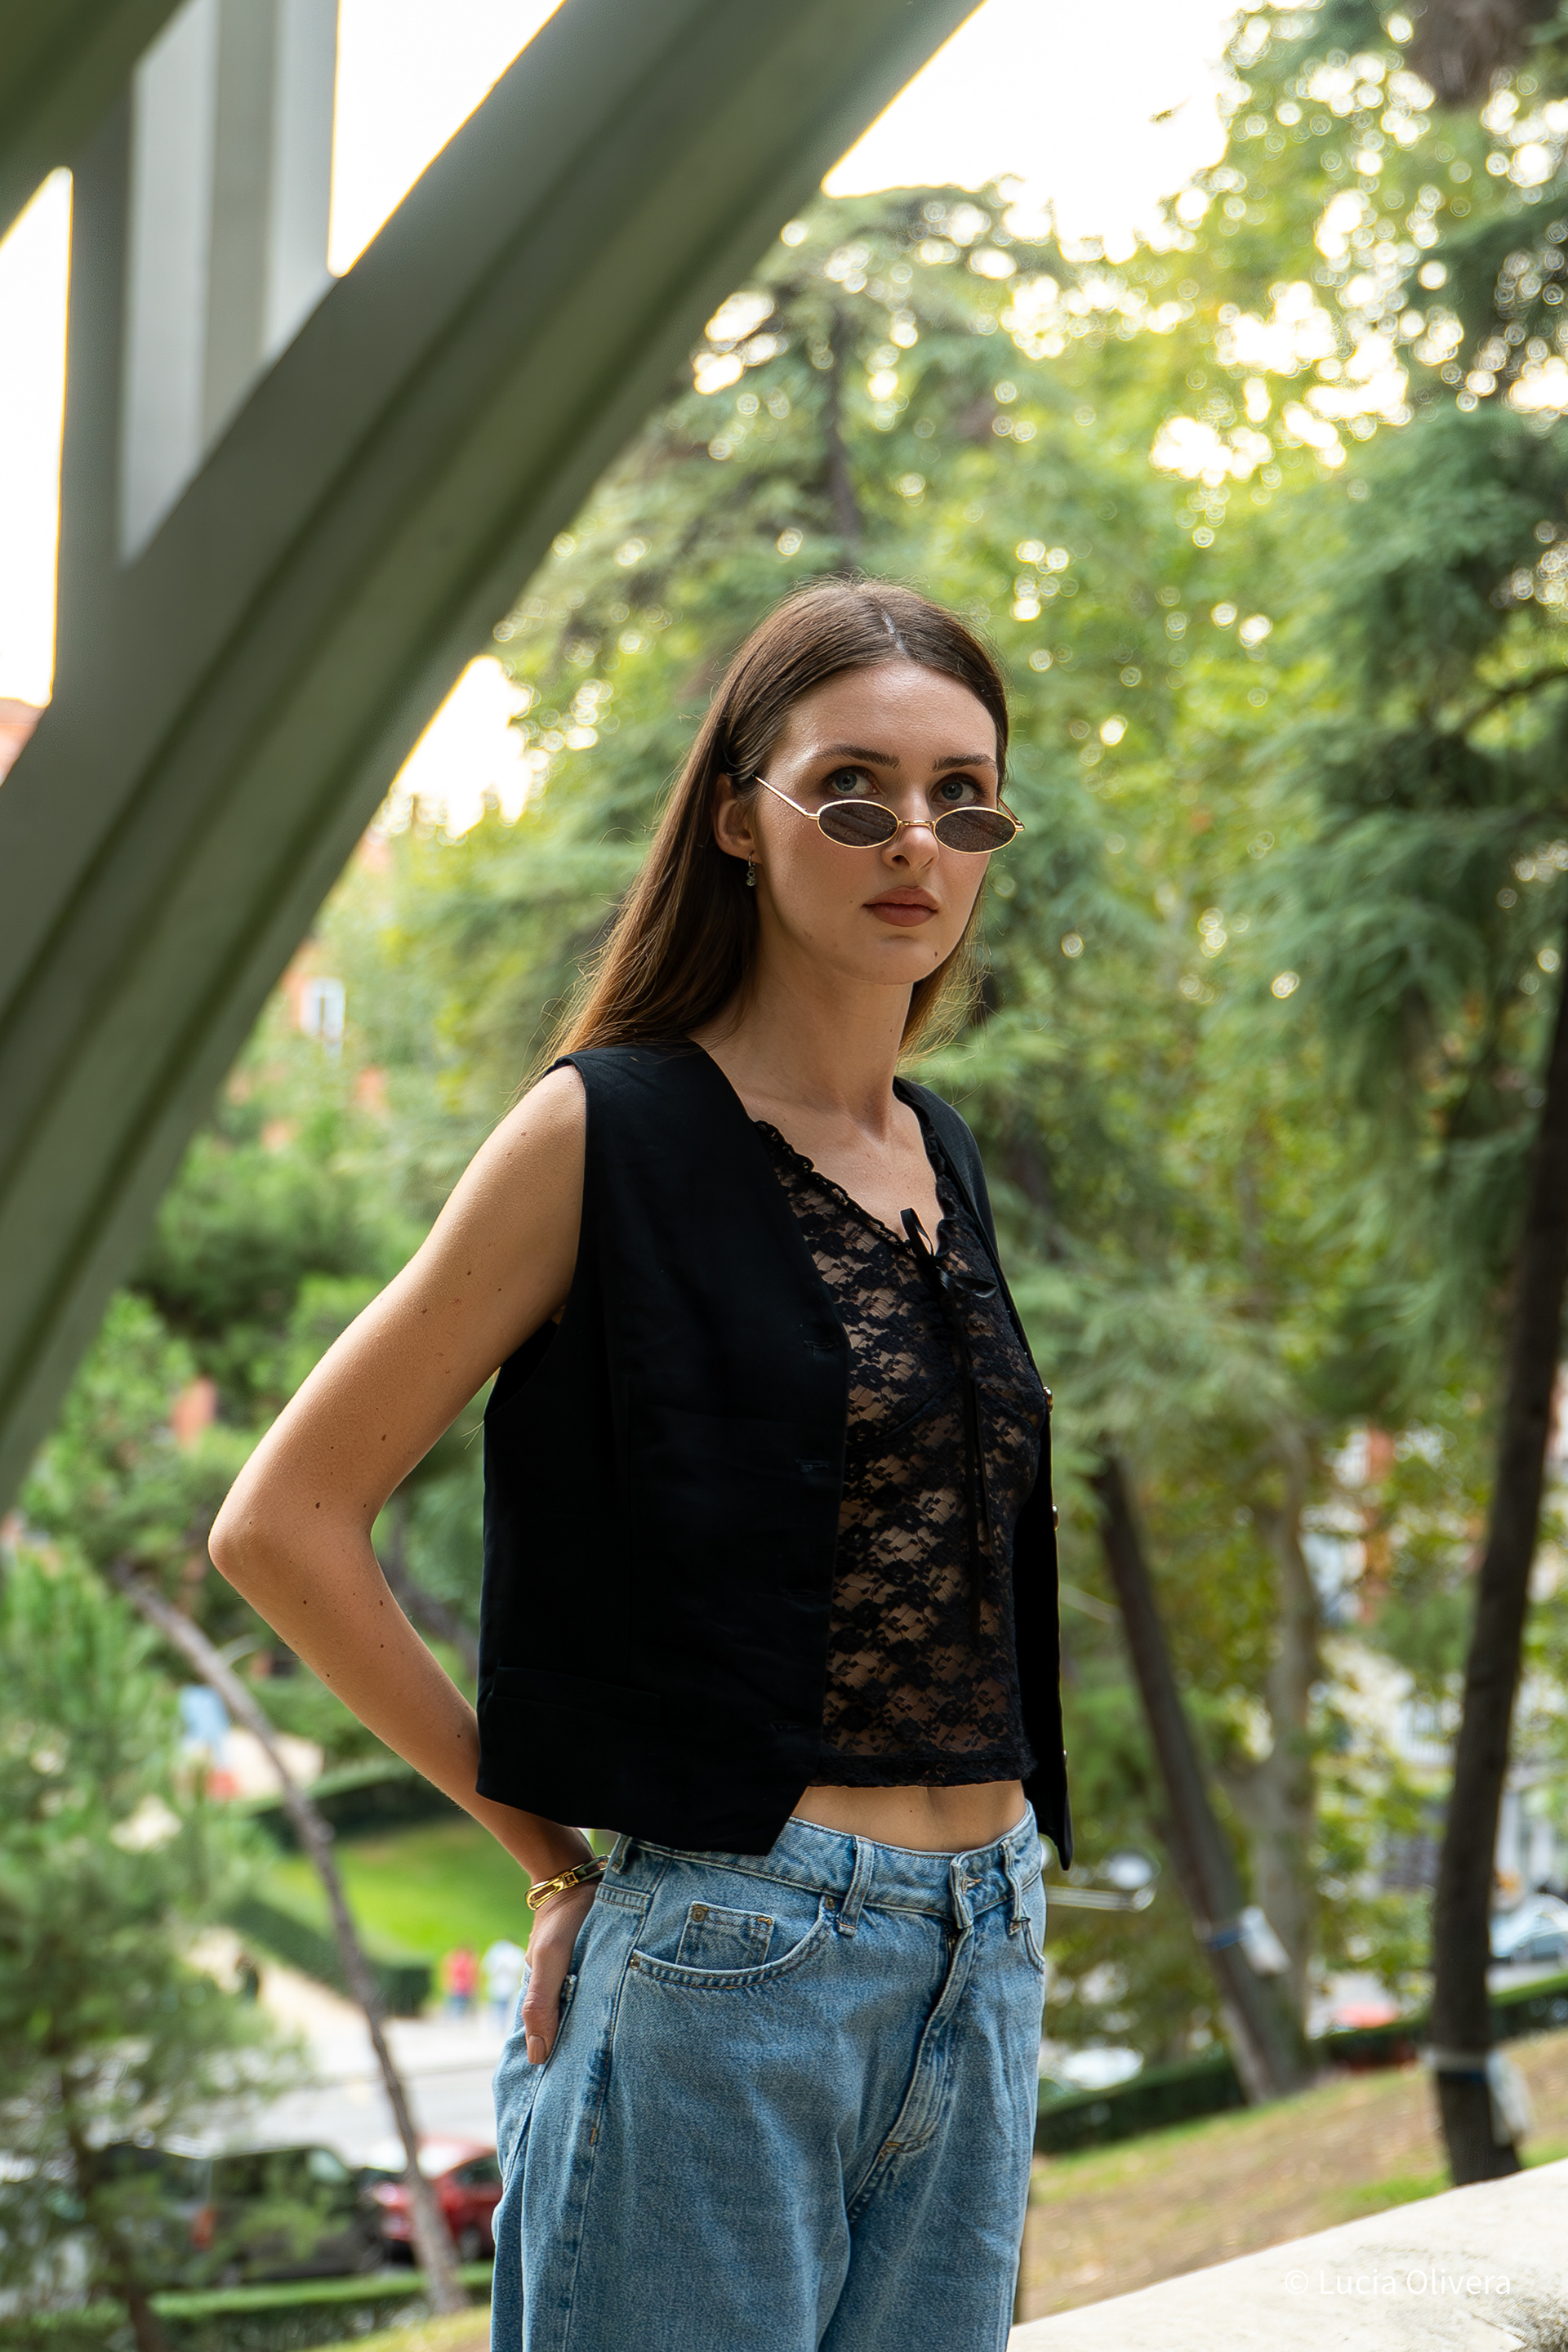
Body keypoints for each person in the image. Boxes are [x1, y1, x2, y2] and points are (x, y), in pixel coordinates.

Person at [211, 580, 1070, 2352]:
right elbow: (283, 1522)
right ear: (740, 818)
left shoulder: (939, 1153)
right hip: (733, 1954)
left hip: (986, 1948)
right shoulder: (605, 1130)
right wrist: (549, 1864)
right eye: (853, 790)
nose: (915, 840)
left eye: (962, 798)